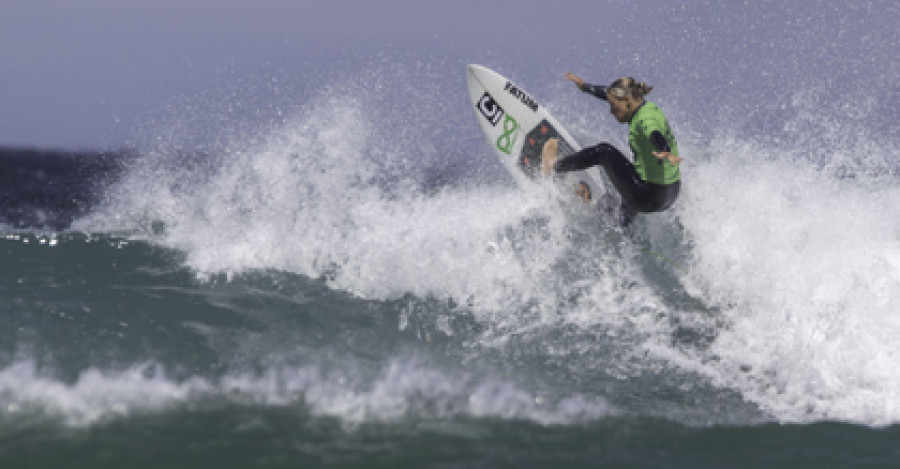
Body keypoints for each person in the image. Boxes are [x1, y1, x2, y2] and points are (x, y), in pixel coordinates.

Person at [541, 72, 682, 226]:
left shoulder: (644, 119)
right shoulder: (648, 108)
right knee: (628, 179)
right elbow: (609, 94)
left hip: (648, 197)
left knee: (604, 152)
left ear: (627, 101)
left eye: (613, 105)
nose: (611, 111)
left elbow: (654, 133)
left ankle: (555, 165)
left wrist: (664, 149)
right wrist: (585, 86)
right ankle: (624, 228)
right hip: (670, 193)